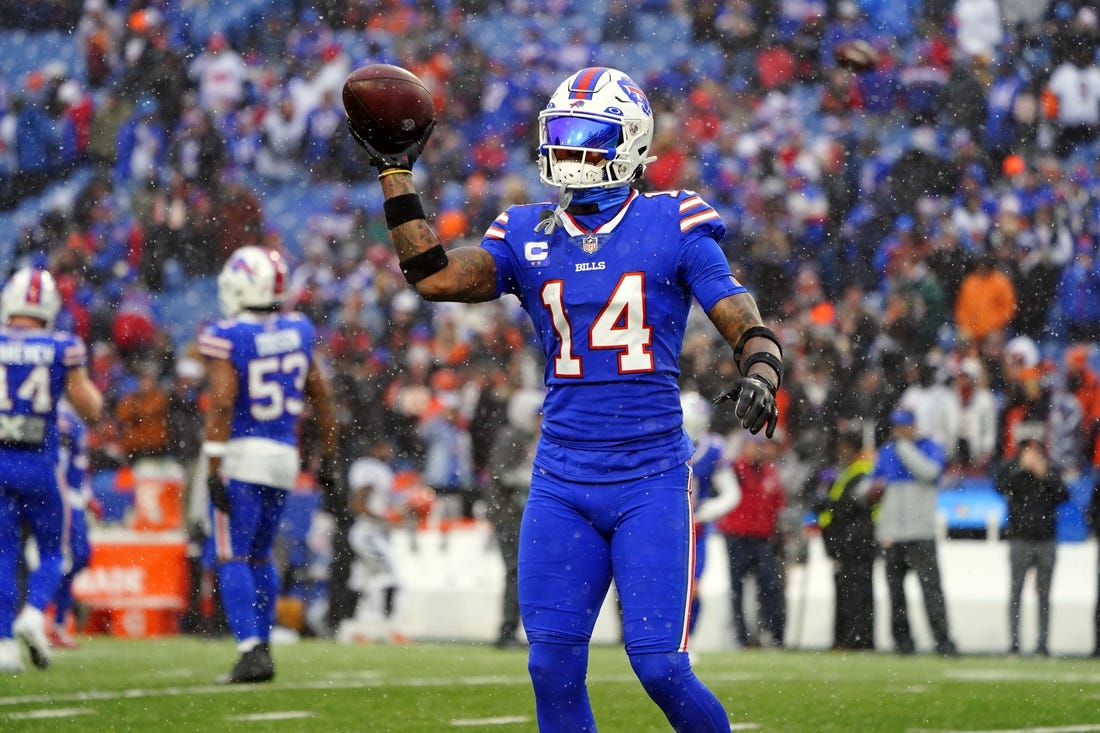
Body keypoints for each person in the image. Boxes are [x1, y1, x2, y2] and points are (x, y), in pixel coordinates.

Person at [350, 65, 782, 732]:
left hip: (650, 475)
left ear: (631, 144)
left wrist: (760, 363)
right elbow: (433, 275)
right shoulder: (525, 231)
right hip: (562, 477)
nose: (570, 149)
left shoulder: (674, 218)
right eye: (562, 133)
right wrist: (394, 173)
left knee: (660, 665)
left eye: (587, 135)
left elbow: (734, 306)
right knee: (550, 667)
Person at [198, 246, 340, 684]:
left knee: (231, 554)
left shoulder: (228, 334)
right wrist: (329, 456)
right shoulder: (298, 328)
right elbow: (321, 394)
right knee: (260, 556)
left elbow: (221, 404)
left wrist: (211, 464)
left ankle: (249, 649)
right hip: (284, 457)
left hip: (241, 455)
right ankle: (263, 648)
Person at [0, 268, 103, 674]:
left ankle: (4, 642)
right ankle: (35, 611)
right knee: (54, 551)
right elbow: (91, 409)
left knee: (4, 552)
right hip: (40, 465)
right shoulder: (62, 345)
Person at [871, 408, 958, 656]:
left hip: (921, 532)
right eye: (897, 426)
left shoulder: (928, 447)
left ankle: (943, 642)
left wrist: (905, 449)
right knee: (896, 595)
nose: (900, 431)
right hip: (893, 534)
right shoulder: (887, 452)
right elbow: (875, 484)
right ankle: (903, 643)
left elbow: (930, 473)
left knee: (931, 591)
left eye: (904, 426)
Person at [993, 433, 1069, 656]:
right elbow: (1000, 486)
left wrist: (1043, 473)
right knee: (1015, 592)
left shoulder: (1050, 469)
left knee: (1044, 594)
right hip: (1020, 538)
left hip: (1046, 540)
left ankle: (1042, 644)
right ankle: (1014, 643)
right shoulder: (1012, 469)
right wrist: (1021, 469)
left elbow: (1063, 495)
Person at [715, 432, 787, 649]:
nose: (758, 450)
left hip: (761, 537)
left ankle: (774, 635)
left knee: (769, 586)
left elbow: (777, 503)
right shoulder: (734, 470)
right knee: (737, 589)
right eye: (753, 446)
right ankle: (742, 638)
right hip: (737, 536)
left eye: (760, 446)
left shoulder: (769, 472)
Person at [485, 388, 544, 649]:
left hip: (518, 513)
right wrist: (537, 478)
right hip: (509, 514)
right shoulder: (511, 436)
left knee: (521, 573)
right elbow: (502, 475)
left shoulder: (525, 437)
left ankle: (514, 630)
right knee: (515, 572)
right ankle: (507, 631)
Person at [680, 391, 740, 644]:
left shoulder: (711, 449)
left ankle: (687, 641)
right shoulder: (656, 445)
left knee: (691, 589)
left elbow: (731, 494)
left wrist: (703, 512)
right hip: (661, 524)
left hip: (694, 529)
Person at [811, 427, 877, 650]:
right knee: (850, 592)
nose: (841, 450)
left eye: (844, 446)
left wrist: (825, 502)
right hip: (849, 543)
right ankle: (850, 638)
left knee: (855, 594)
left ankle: (856, 639)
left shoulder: (862, 471)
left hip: (856, 543)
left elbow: (847, 506)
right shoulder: (849, 471)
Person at [337, 441, 408, 645]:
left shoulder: (373, 468)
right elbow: (358, 504)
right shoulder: (371, 469)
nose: (390, 451)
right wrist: (387, 521)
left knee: (361, 581)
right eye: (385, 447)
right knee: (390, 577)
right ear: (374, 447)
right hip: (369, 533)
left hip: (367, 532)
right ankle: (388, 627)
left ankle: (352, 628)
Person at [49, 400, 97, 649]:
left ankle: (52, 620)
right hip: (62, 498)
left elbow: (80, 464)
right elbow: (59, 460)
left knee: (77, 558)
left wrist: (88, 496)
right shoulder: (61, 416)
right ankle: (45, 619)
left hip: (74, 497)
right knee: (60, 559)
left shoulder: (73, 416)